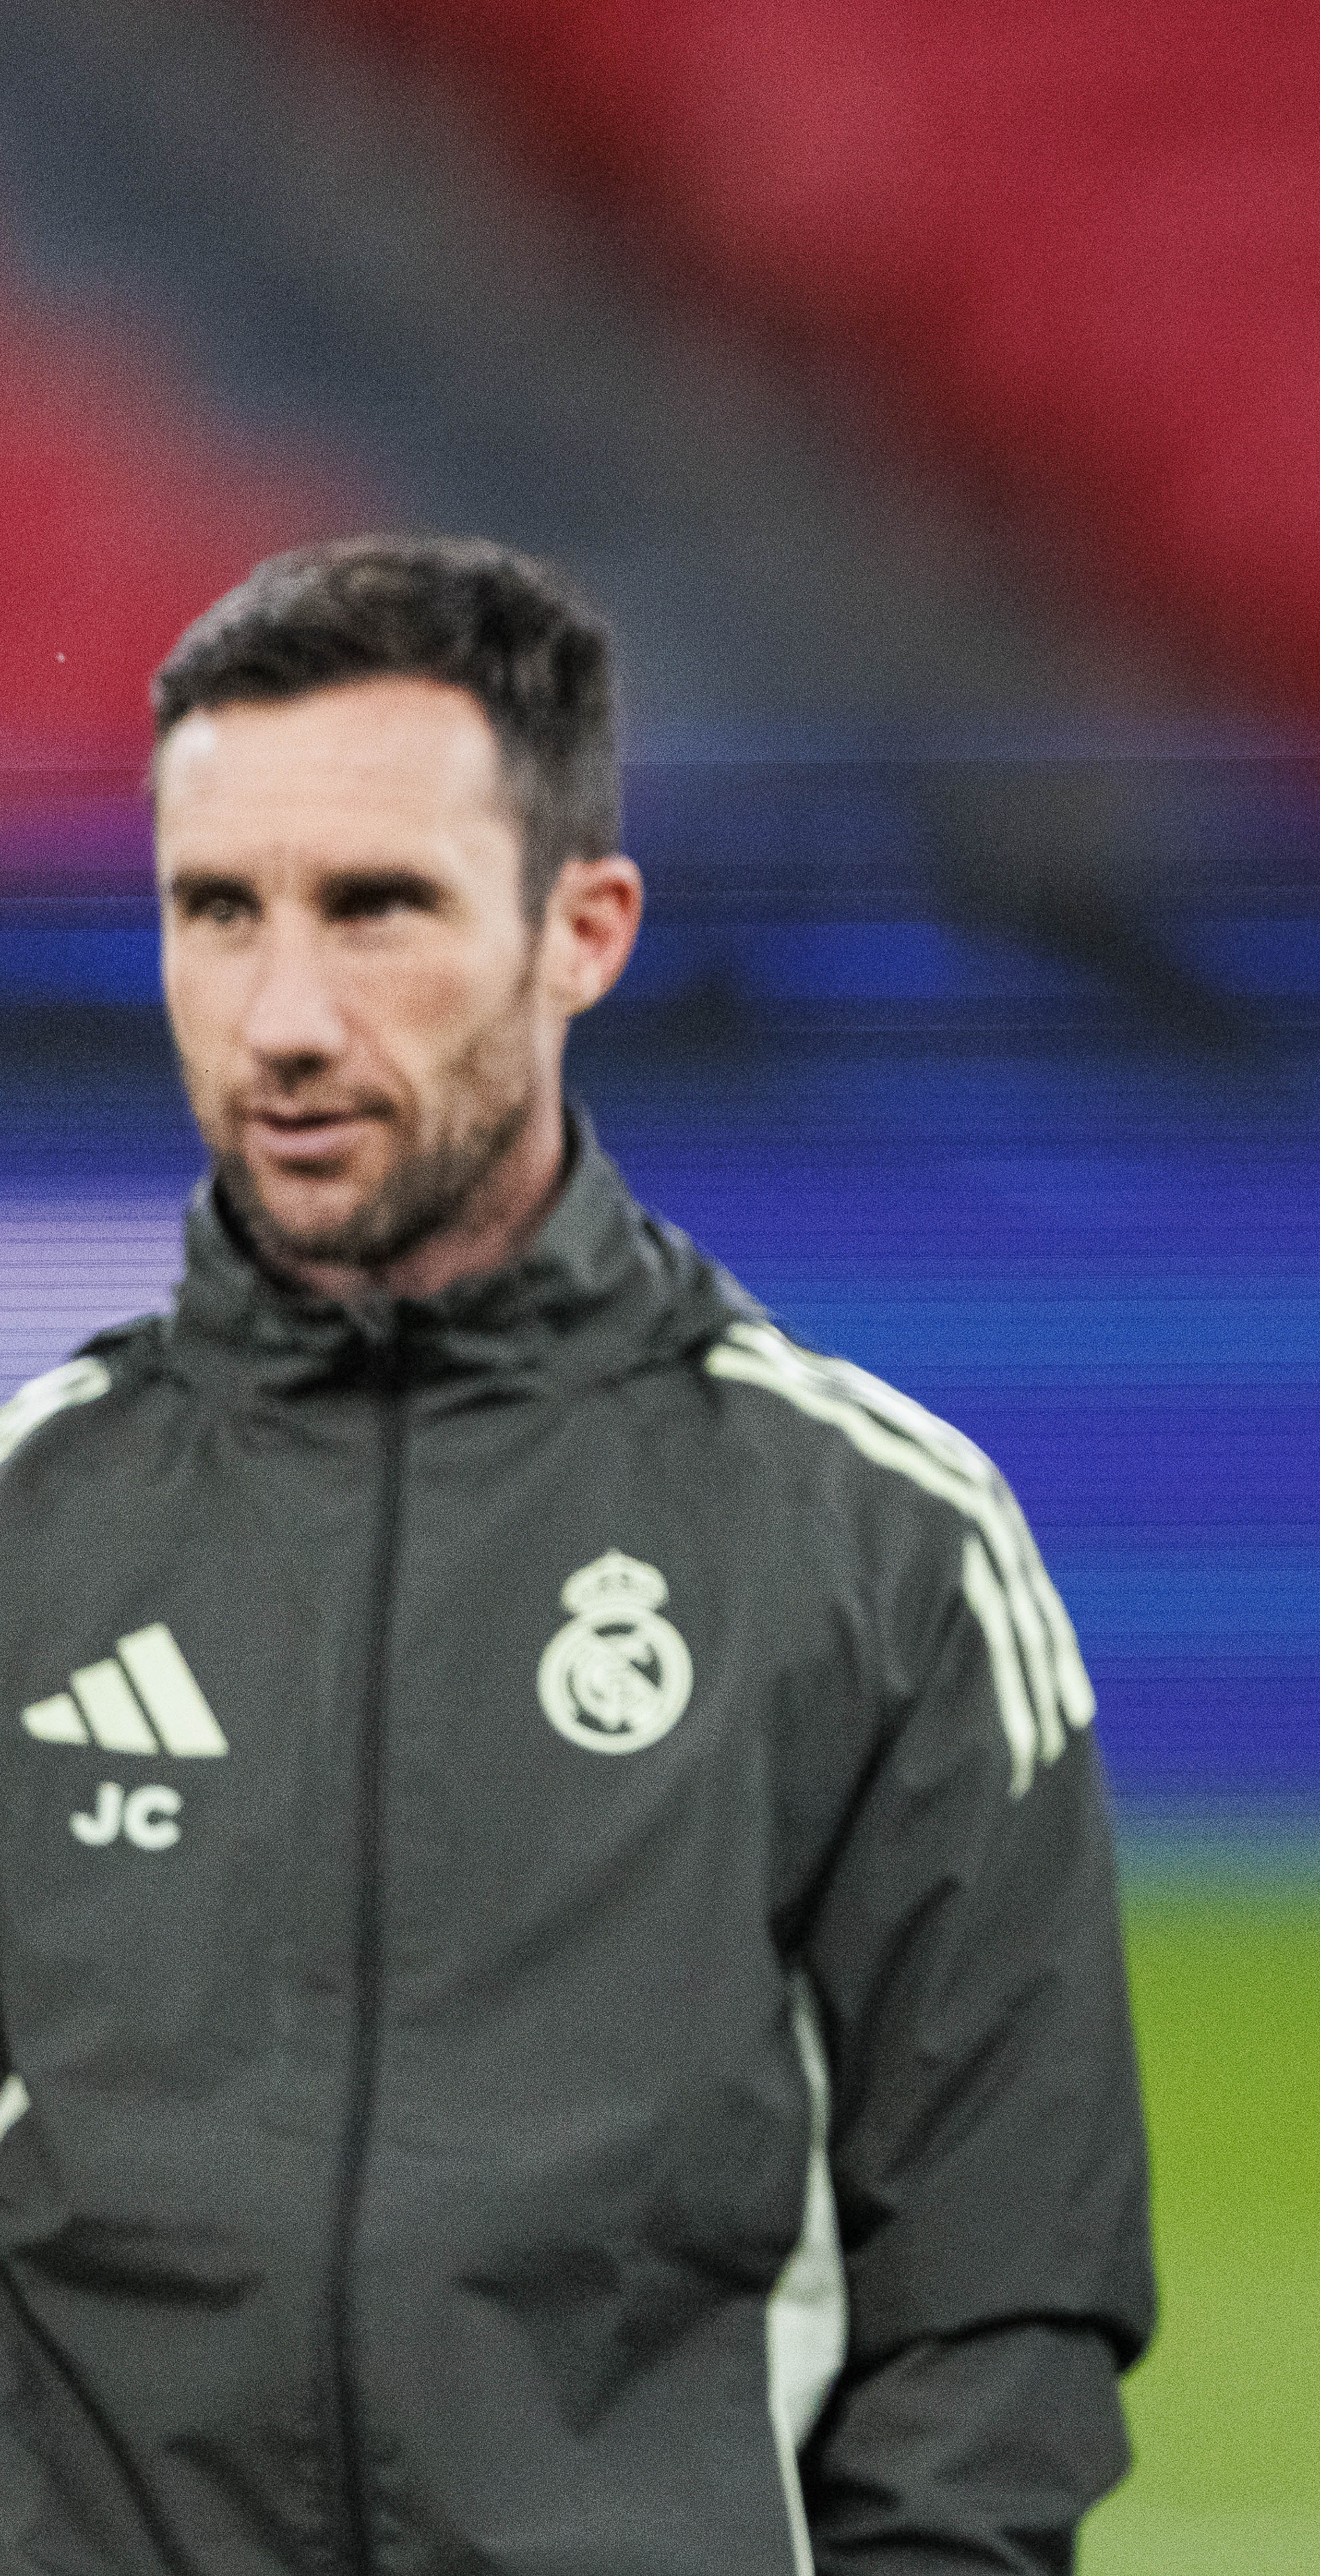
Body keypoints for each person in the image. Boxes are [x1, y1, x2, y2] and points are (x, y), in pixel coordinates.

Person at [0, 536, 1155, 2571]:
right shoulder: (28, 1524)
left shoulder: (877, 1547)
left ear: (583, 927)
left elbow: (1004, 2306)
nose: (280, 1013)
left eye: (376, 909)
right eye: (215, 909)